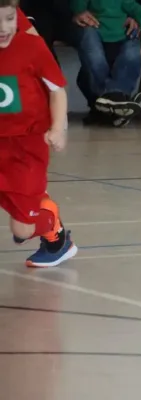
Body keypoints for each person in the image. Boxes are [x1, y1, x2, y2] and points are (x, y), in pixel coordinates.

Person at [0, 0, 77, 267]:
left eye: (10, 19)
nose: (4, 28)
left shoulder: (31, 47)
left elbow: (57, 89)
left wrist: (58, 128)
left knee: (22, 230)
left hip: (26, 144)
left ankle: (53, 230)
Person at [71, 0, 141, 126]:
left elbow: (140, 12)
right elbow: (78, 7)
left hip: (124, 31)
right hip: (94, 28)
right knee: (94, 54)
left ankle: (114, 99)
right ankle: (116, 103)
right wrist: (78, 12)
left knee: (133, 52)